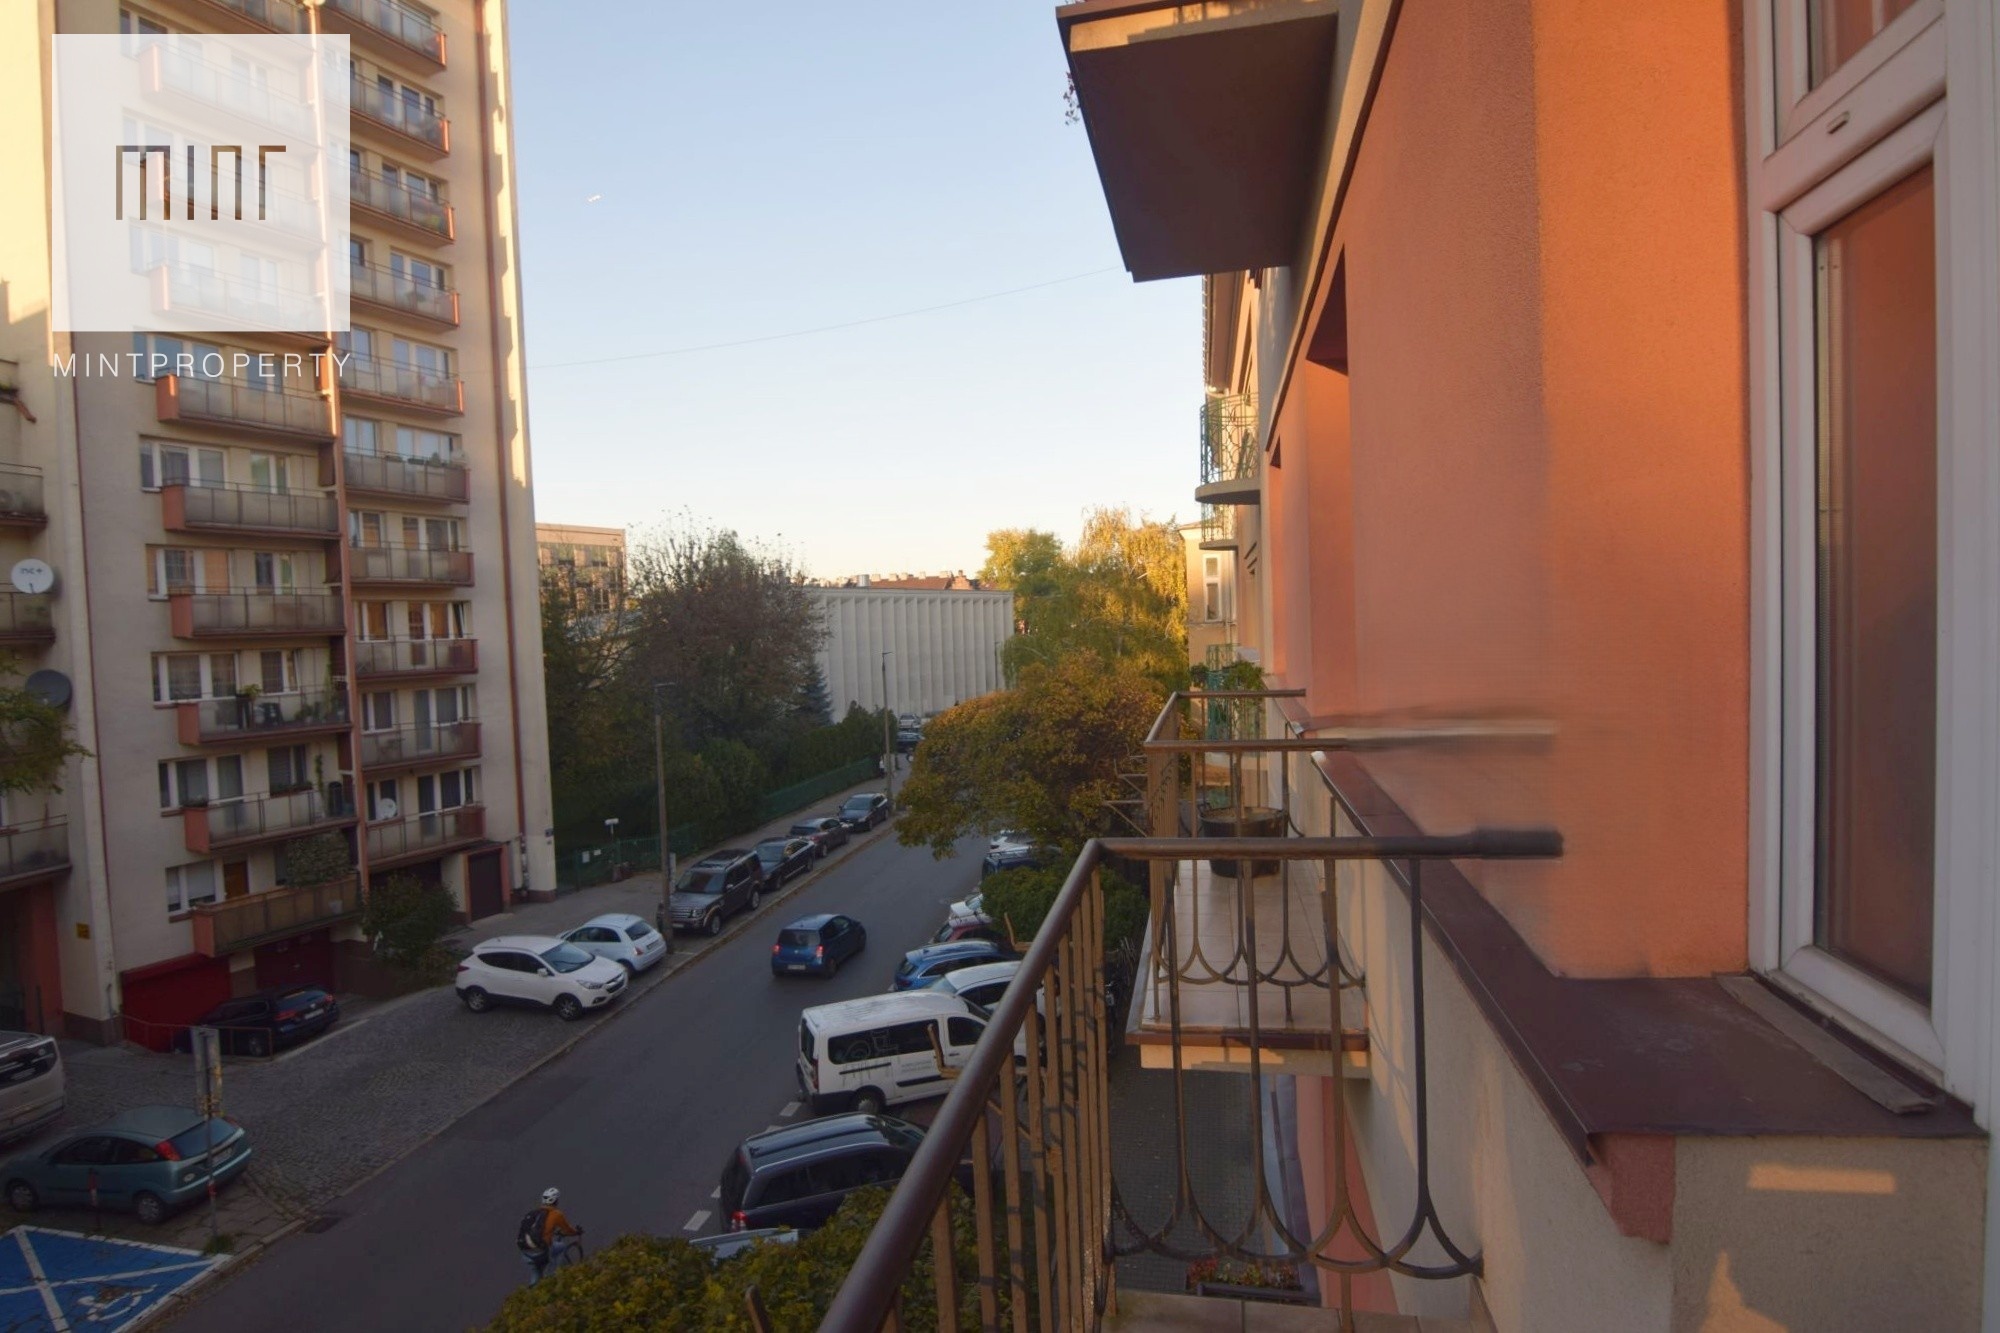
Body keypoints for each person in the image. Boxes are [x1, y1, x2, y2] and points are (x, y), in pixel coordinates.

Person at [516, 1187, 581, 1285]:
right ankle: (552, 1275)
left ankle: (532, 1290)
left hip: (526, 1252)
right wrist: (576, 1232)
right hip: (541, 1252)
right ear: (555, 1201)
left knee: (536, 1272)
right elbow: (568, 1230)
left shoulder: (534, 1213)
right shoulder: (556, 1214)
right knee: (561, 1247)